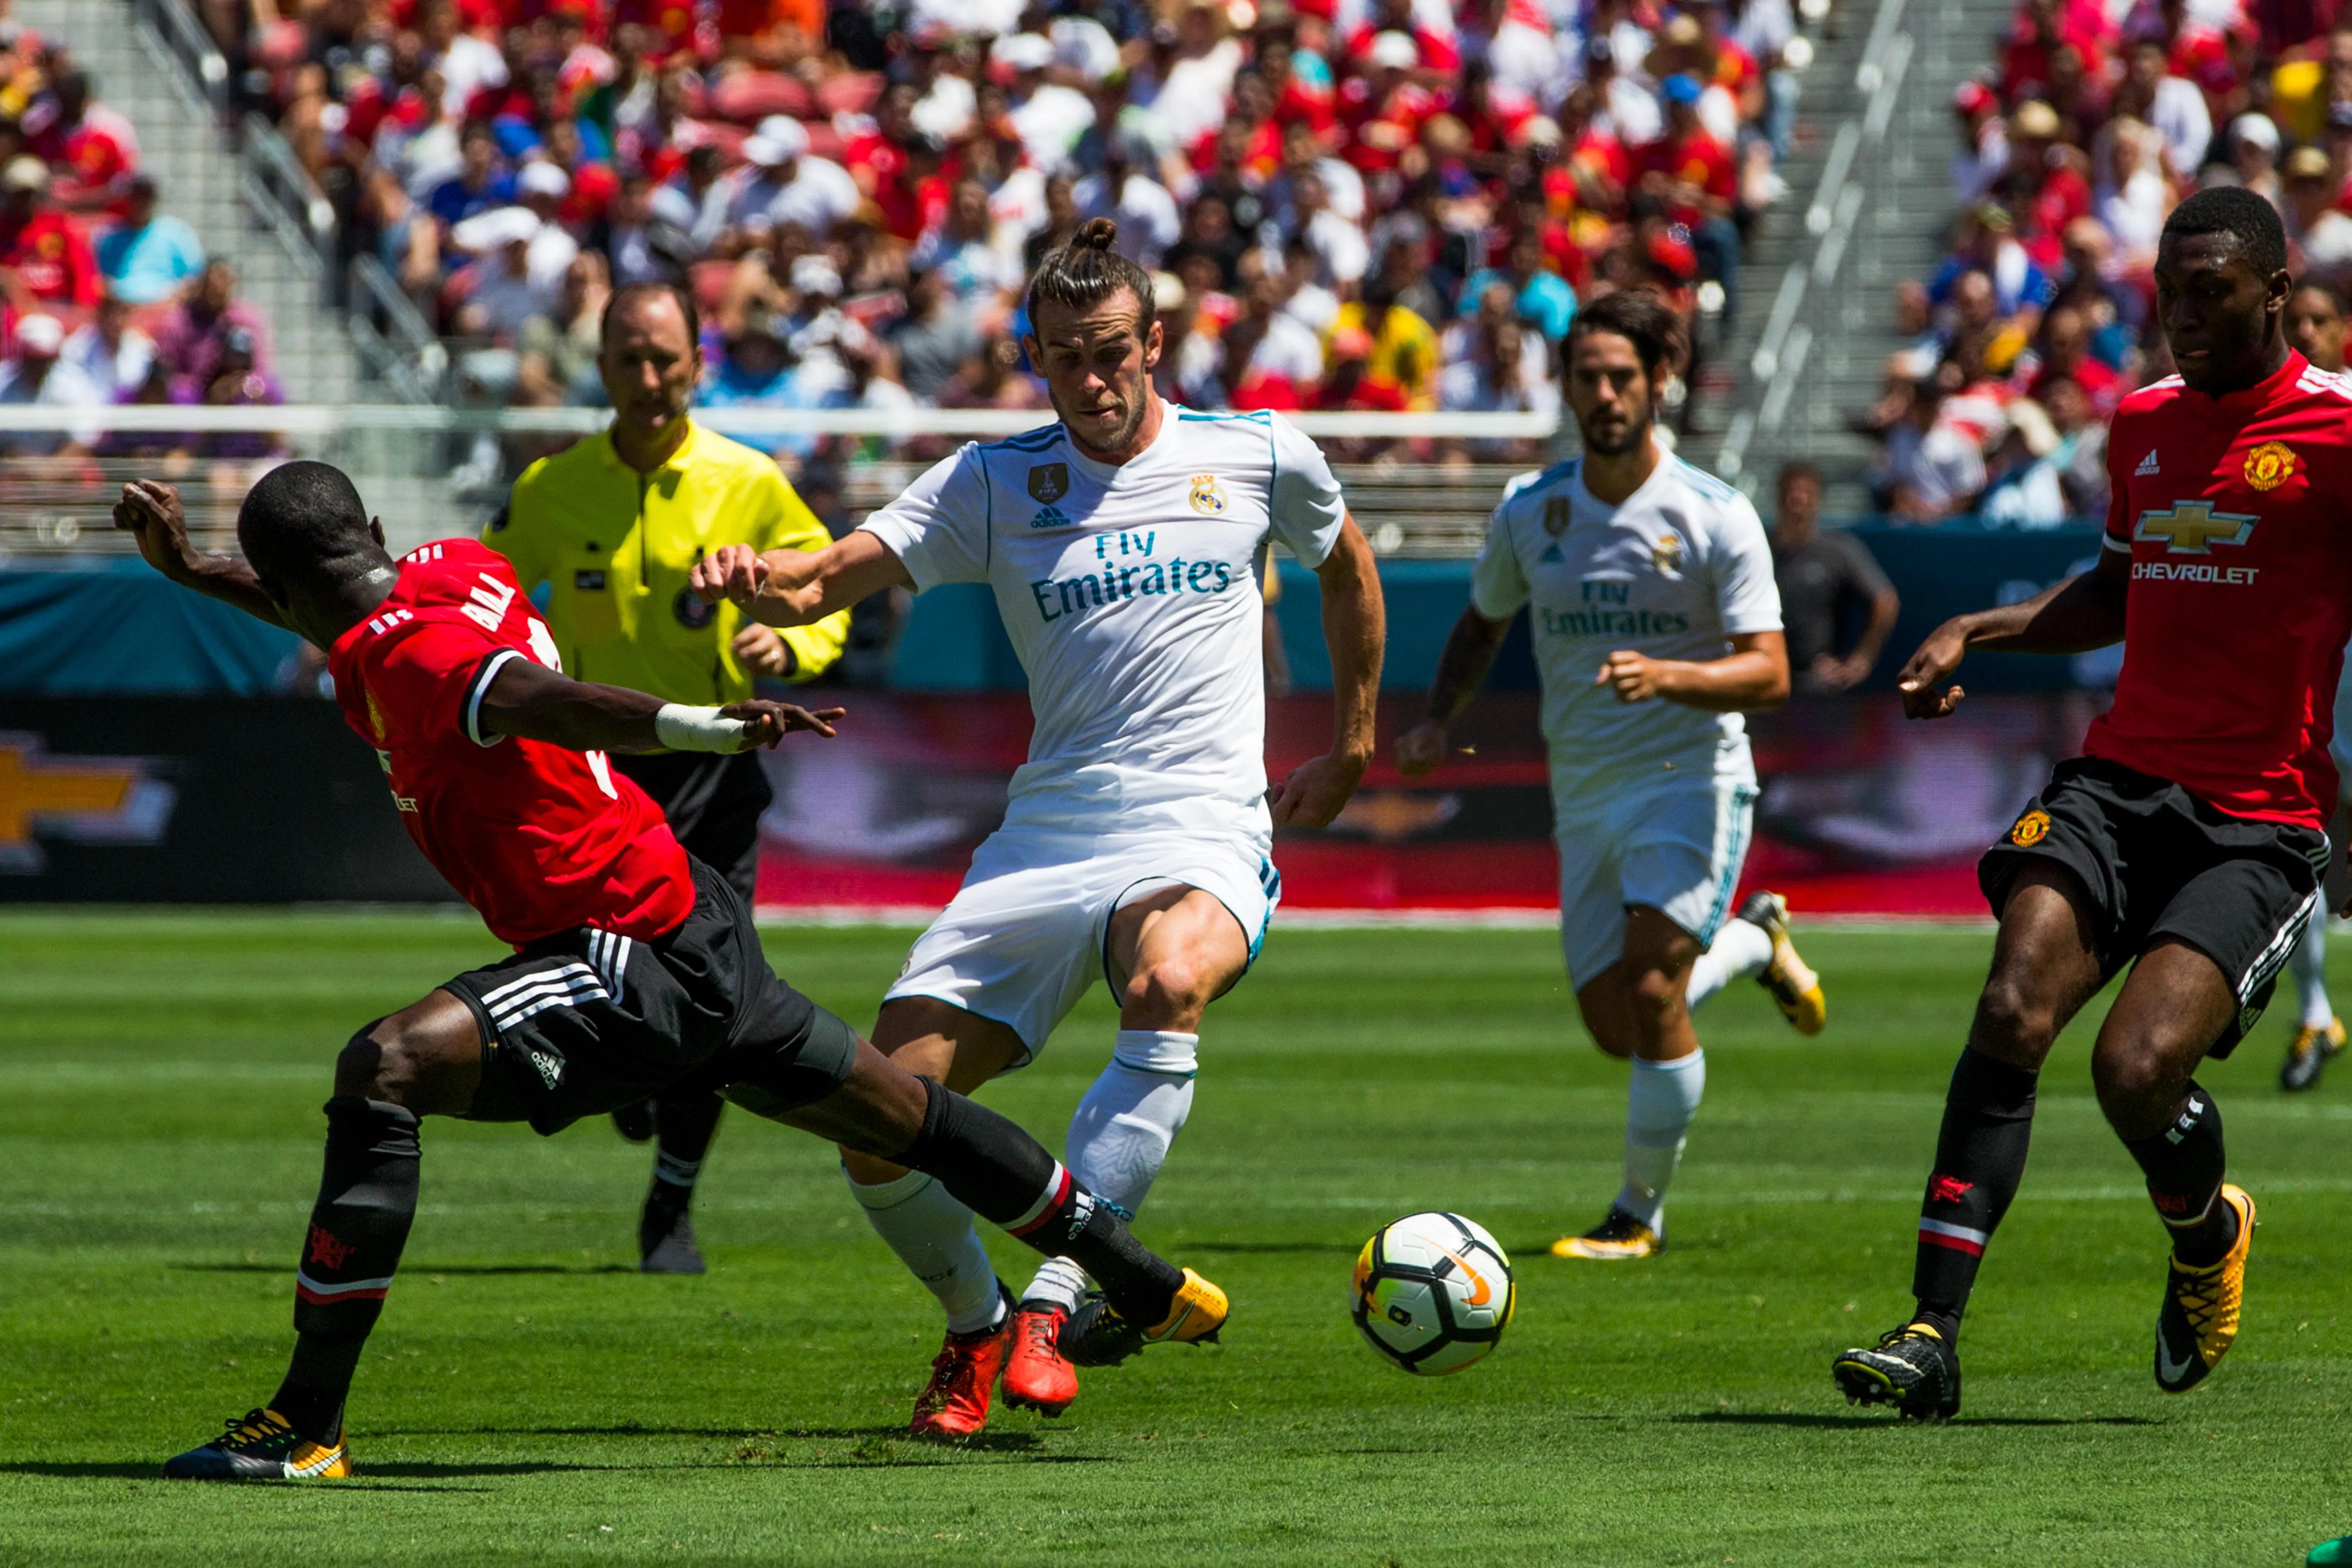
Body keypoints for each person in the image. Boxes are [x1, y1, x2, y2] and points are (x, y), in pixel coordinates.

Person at [115, 462, 1227, 1481]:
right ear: (375, 529)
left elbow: (535, 698)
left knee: (384, 1067)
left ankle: (307, 1425)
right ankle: (1140, 1276)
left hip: (620, 950)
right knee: (906, 1115)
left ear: (289, 583)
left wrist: (702, 727)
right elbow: (332, 605)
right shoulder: (451, 567)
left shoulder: (403, 656)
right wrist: (197, 570)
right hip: (695, 916)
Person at [693, 218, 1383, 1436]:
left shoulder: (1260, 452)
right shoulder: (993, 481)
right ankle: (976, 1323)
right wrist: (759, 579)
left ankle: (1057, 1301)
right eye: (1066, 357)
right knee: (876, 1113)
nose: (1093, 378)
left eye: (1112, 351)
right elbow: (823, 578)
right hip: (1049, 831)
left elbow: (1347, 566)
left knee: (1169, 980)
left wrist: (1356, 744)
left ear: (1154, 343)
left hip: (1202, 822)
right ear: (1037, 358)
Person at [1831, 189, 2347, 1421]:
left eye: (2211, 293)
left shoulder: (2338, 435)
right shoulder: (2143, 422)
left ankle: (2206, 1229)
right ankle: (1931, 1331)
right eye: (2170, 295)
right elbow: (2116, 591)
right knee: (2011, 1004)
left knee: (2135, 1067)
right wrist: (1978, 627)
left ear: (2277, 293)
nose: (2183, 317)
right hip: (2117, 783)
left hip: (2258, 817)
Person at [1393, 290, 1823, 1262]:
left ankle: (1636, 1217)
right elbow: (1482, 623)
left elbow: (1769, 673)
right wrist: (1435, 721)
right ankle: (1754, 943)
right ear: (1565, 386)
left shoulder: (1714, 514)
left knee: (1654, 985)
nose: (1605, 394)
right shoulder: (1530, 509)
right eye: (1587, 376)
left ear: (1658, 382)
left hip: (1690, 776)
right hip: (1583, 790)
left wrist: (1668, 675)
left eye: (1622, 376)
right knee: (1616, 1027)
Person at [485, 280, 851, 1272]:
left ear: (697, 362)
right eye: (629, 361)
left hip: (716, 768)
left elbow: (828, 589)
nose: (648, 379)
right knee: (603, 983)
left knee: (716, 994)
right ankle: (631, 1076)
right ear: (601, 368)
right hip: (595, 780)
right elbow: (489, 596)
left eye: (665, 360)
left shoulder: (751, 481)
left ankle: (670, 1209)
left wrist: (791, 644)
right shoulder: (553, 487)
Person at [2280, 275, 2352, 1092]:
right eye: (2293, 321)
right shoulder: (2271, 418)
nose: (2304, 332)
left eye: (2319, 320)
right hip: (2311, 692)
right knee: (2299, 863)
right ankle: (2312, 1011)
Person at [1769, 462, 1901, 693]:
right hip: (1765, 675)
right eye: (1791, 492)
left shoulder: (1838, 550)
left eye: (1806, 493)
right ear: (1779, 498)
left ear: (1818, 499)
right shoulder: (1760, 549)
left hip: (1815, 681)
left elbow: (1885, 600)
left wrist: (1861, 660)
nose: (1798, 501)